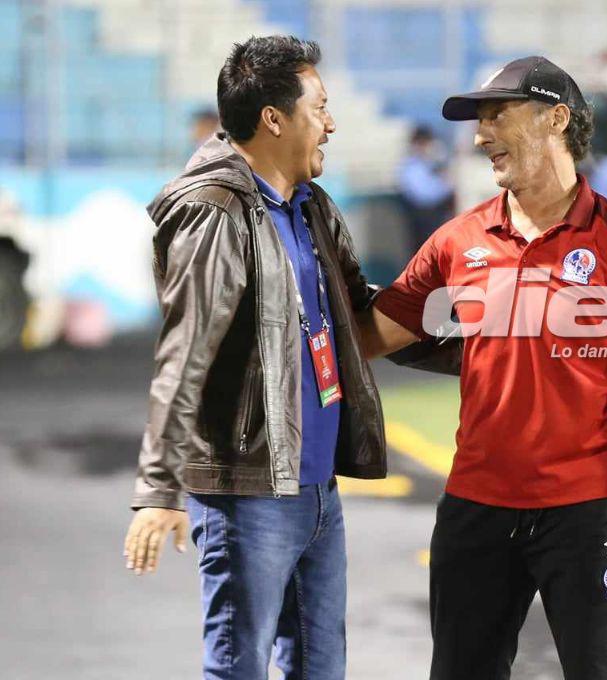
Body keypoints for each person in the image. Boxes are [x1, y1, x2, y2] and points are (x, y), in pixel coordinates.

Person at [359, 56, 607, 680]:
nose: (481, 134)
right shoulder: (456, 241)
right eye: (478, 120)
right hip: (477, 505)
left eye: (497, 115)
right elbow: (373, 335)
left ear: (556, 119)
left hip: (590, 508)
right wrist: (284, 322)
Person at [122, 36, 387, 680]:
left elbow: (363, 318)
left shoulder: (310, 206)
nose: (331, 122)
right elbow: (185, 355)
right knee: (239, 668)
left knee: (320, 669)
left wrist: (485, 339)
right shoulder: (216, 212)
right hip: (249, 494)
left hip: (317, 488)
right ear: (274, 119)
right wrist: (159, 488)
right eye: (320, 107)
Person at [397, 124, 455, 250]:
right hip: (423, 221)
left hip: (432, 219)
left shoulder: (428, 164)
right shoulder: (411, 167)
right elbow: (424, 195)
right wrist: (447, 185)